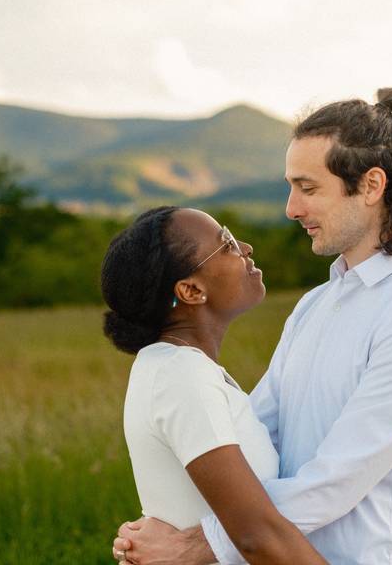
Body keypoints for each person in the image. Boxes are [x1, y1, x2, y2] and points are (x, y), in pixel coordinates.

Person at [112, 88, 392, 564]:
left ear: (370, 186)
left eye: (308, 188)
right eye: (290, 186)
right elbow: (256, 436)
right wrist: (167, 517)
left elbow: (333, 482)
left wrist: (196, 544)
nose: (291, 208)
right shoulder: (313, 306)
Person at [101, 206, 327, 565]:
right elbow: (255, 535)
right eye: (227, 244)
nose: (246, 247)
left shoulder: (174, 367)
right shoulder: (181, 375)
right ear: (190, 290)